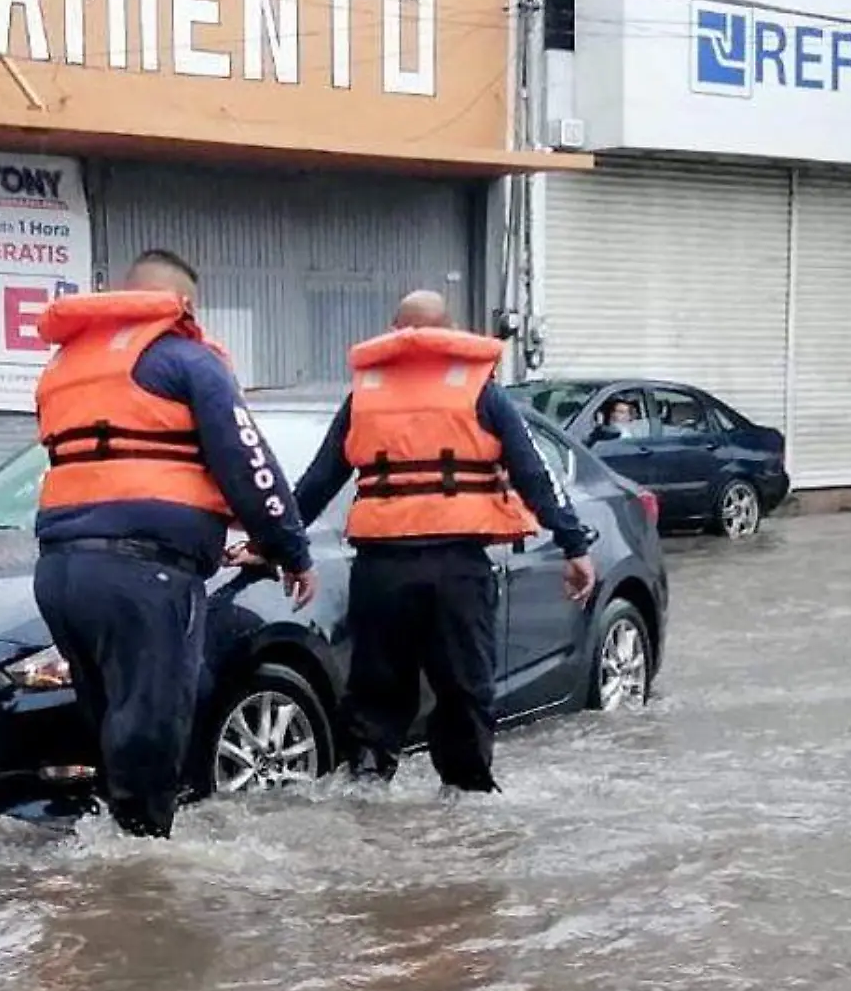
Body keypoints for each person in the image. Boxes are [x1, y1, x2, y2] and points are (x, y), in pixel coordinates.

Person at [254, 289, 597, 793]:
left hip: (380, 571)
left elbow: (315, 484)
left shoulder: (365, 397)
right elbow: (533, 476)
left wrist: (275, 544)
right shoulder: (481, 391)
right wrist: (574, 547)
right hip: (457, 571)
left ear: (394, 332)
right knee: (464, 689)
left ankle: (367, 786)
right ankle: (466, 795)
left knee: (375, 692)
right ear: (450, 332)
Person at [31, 248, 318, 839]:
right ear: (182, 304)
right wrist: (289, 549)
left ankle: (111, 852)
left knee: (109, 716)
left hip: (59, 571)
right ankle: (145, 877)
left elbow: (116, 465)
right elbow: (249, 464)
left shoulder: (66, 366)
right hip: (143, 575)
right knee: (152, 721)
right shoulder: (187, 358)